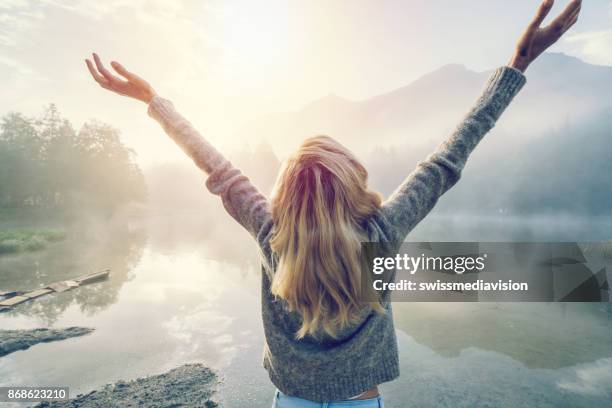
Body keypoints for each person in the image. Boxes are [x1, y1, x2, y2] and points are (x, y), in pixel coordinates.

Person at [85, 1, 581, 406]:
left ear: (288, 193)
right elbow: (448, 160)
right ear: (352, 181)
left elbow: (216, 166)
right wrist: (517, 65)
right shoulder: (380, 234)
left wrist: (155, 102)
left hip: (292, 399)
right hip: (362, 401)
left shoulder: (269, 231)